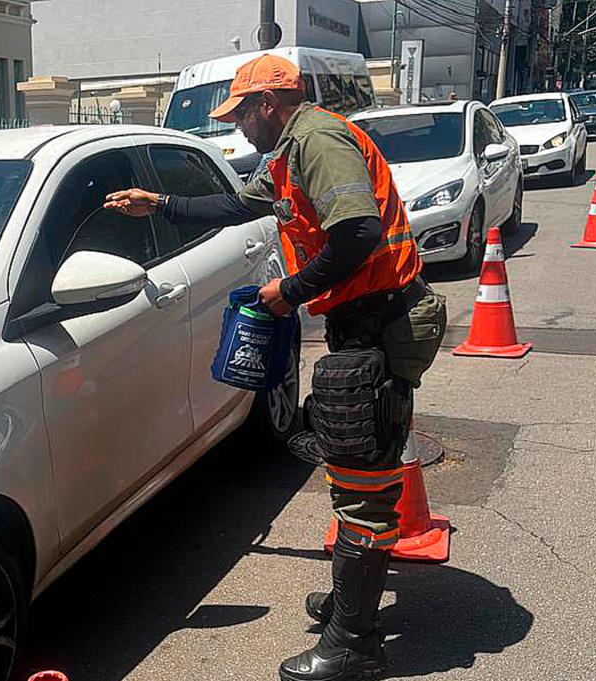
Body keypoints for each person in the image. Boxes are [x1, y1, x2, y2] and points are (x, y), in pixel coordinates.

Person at [103, 54, 446, 681]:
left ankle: (355, 647)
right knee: (355, 467)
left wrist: (290, 292)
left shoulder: (316, 139)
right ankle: (352, 608)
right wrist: (161, 205)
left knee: (364, 485)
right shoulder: (289, 153)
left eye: (240, 114)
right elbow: (240, 207)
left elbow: (358, 233)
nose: (237, 127)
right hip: (364, 321)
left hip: (383, 320)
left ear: (268, 104)